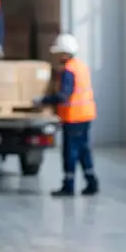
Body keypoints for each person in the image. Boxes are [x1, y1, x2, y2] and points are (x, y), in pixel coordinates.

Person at [32, 33, 99, 197]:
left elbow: (64, 96)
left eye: (58, 53)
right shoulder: (81, 66)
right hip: (85, 115)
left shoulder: (68, 71)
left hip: (73, 118)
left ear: (64, 53)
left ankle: (68, 186)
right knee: (83, 150)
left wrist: (43, 100)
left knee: (70, 152)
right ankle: (91, 182)